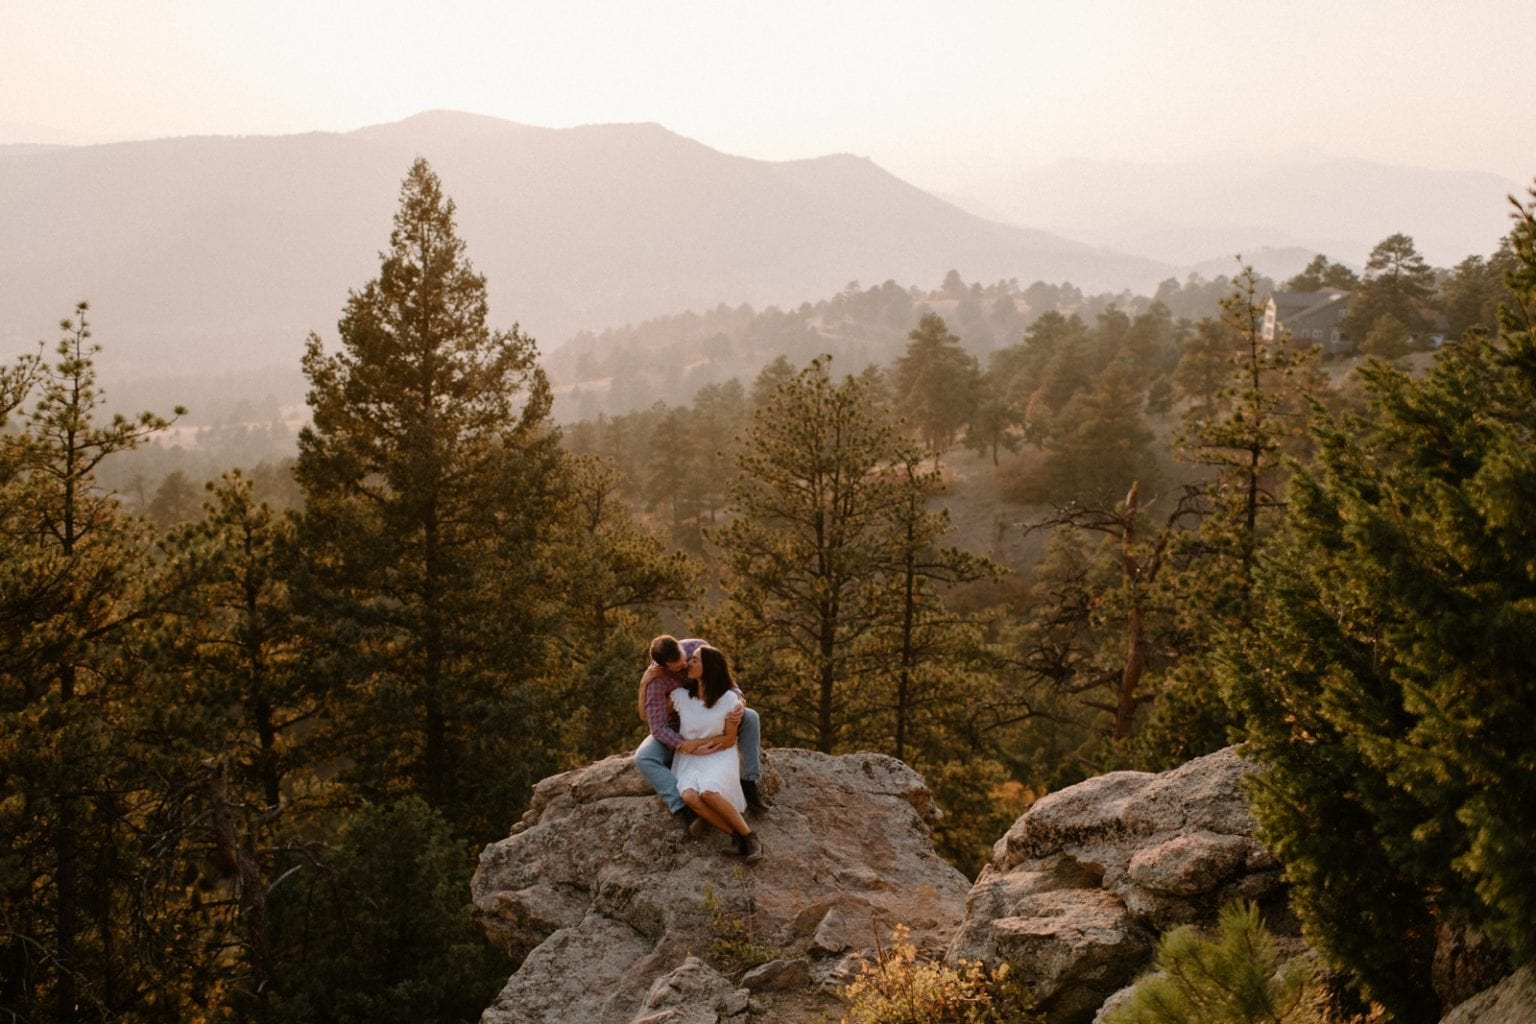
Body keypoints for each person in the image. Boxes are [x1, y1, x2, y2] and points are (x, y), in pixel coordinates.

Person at [635, 635, 770, 835]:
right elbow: (656, 725)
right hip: (677, 726)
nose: (684, 664)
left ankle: (749, 781)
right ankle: (685, 806)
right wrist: (685, 744)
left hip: (711, 713)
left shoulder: (696, 647)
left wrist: (739, 701)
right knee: (644, 757)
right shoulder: (656, 680)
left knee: (751, 717)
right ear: (664, 666)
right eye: (677, 665)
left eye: (685, 658)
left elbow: (722, 676)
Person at [671, 645, 763, 861]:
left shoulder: (729, 700)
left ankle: (751, 837)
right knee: (689, 796)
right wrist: (645, 683)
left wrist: (698, 743)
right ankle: (736, 837)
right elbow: (648, 716)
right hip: (688, 759)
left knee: (709, 792)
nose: (689, 664)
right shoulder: (680, 696)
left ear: (709, 667)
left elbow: (730, 739)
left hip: (719, 753)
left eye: (695, 660)